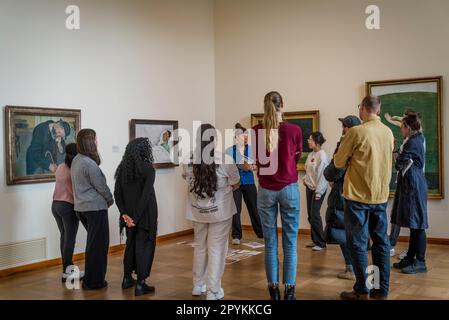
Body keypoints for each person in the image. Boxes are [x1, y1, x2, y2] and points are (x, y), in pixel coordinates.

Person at [334, 95, 394, 300]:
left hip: (358, 197)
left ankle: (362, 288)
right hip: (379, 197)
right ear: (378, 110)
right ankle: (380, 290)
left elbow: (339, 162)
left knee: (358, 244)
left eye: (359, 107)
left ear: (363, 109)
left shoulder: (356, 132)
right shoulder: (388, 132)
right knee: (380, 243)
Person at [251, 91, 302, 300]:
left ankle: (273, 291)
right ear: (283, 106)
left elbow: (254, 159)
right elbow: (296, 156)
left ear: (264, 107)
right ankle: (289, 290)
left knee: (270, 242)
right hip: (289, 189)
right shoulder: (294, 130)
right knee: (290, 242)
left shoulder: (255, 131)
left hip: (265, 190)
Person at [182, 123, 240, 300]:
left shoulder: (187, 159)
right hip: (220, 212)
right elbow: (236, 183)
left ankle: (198, 285)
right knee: (216, 249)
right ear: (214, 139)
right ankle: (213, 290)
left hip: (197, 211)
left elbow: (186, 178)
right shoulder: (225, 160)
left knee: (200, 246)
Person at [114, 138, 158, 296]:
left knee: (130, 245)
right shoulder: (148, 169)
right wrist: (135, 218)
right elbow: (145, 197)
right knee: (144, 247)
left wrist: (125, 214)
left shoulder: (123, 168)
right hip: (145, 216)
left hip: (128, 217)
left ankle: (127, 278)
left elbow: (117, 194)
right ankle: (141, 283)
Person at [71, 129, 114, 290]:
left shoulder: (77, 159)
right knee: (98, 246)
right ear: (91, 142)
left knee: (93, 245)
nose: (97, 141)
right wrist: (110, 200)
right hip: (94, 208)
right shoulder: (89, 163)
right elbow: (101, 186)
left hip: (81, 208)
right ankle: (94, 282)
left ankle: (90, 278)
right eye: (96, 139)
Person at [323, 116, 361, 281]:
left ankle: (351, 268)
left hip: (343, 193)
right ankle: (355, 268)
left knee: (344, 231)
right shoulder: (362, 142)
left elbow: (334, 170)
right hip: (357, 192)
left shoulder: (346, 144)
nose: (342, 129)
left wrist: (328, 174)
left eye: (344, 126)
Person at [391, 112, 428, 274]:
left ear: (408, 128)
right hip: (412, 183)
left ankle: (420, 262)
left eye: (402, 127)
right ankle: (411, 257)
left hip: (413, 185)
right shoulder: (417, 138)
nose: (401, 130)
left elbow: (398, 164)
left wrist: (393, 150)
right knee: (414, 223)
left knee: (418, 224)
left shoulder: (413, 142)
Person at [52, 143, 86, 282]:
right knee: (69, 239)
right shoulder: (74, 170)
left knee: (64, 237)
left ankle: (67, 269)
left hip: (55, 205)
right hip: (67, 207)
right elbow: (76, 192)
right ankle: (68, 271)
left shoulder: (60, 167)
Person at [226, 123, 263, 245]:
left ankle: (261, 233)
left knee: (255, 208)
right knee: (235, 210)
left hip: (249, 182)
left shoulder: (252, 149)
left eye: (246, 136)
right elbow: (227, 167)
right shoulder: (230, 151)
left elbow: (257, 165)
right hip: (235, 183)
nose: (245, 138)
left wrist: (251, 166)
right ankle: (236, 235)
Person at [303, 132, 330, 251]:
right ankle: (315, 240)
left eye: (310, 139)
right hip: (309, 188)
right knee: (310, 215)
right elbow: (308, 170)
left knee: (315, 215)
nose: (308, 141)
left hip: (318, 190)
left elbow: (323, 176)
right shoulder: (311, 154)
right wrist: (305, 180)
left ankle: (321, 243)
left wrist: (319, 192)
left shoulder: (322, 156)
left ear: (317, 142)